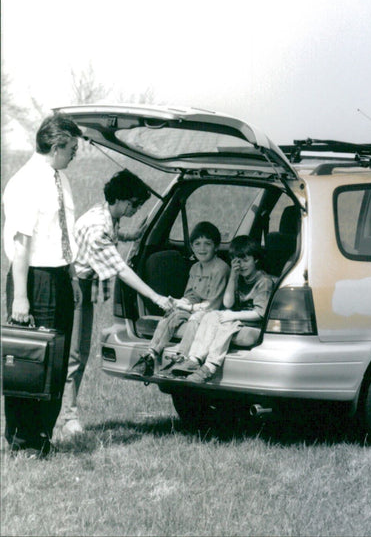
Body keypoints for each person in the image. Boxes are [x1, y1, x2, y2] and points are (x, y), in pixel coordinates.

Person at [60, 170, 172, 437]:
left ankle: (64, 412)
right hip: (73, 288)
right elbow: (121, 269)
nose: (136, 209)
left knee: (79, 352)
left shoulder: (107, 214)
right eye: (134, 204)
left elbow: (115, 233)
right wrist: (154, 297)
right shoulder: (97, 228)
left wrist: (132, 235)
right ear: (120, 199)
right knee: (74, 355)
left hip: (81, 287)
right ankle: (67, 417)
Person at [2, 115, 83, 458]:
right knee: (30, 360)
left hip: (59, 276)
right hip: (34, 280)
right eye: (72, 149)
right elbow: (21, 244)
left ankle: (42, 437)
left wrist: (72, 276)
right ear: (56, 146)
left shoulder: (61, 179)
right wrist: (20, 297)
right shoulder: (26, 182)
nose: (75, 155)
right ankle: (21, 441)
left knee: (56, 362)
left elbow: (62, 233)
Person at [169, 235, 275, 384]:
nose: (242, 265)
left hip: (254, 322)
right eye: (237, 261)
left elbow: (260, 314)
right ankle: (194, 359)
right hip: (238, 317)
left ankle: (210, 367)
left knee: (226, 324)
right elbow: (228, 303)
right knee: (210, 316)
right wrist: (233, 276)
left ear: (256, 260)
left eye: (246, 261)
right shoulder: (239, 277)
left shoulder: (263, 281)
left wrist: (232, 316)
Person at [128, 221, 230, 376]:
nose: (202, 248)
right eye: (197, 244)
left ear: (216, 247)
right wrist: (178, 303)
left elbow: (213, 305)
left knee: (195, 318)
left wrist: (189, 307)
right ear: (192, 247)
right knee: (173, 314)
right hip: (196, 307)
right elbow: (191, 295)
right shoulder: (195, 268)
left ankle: (182, 357)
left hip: (212, 313)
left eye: (207, 244)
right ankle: (151, 355)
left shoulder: (221, 269)